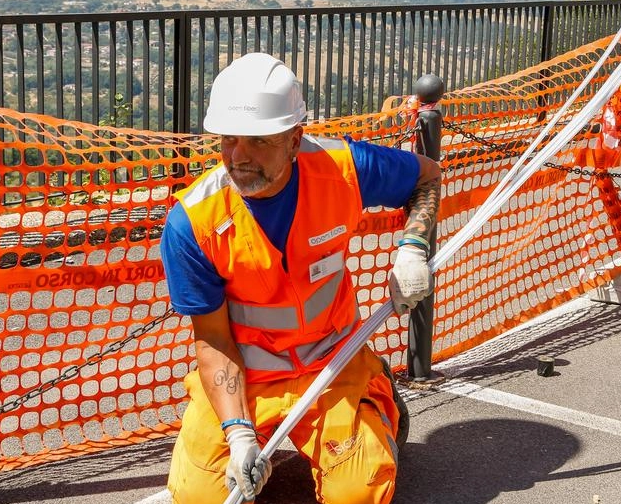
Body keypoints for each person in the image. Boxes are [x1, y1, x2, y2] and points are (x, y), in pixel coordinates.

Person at [159, 52, 441, 502]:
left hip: (332, 361)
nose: (240, 157)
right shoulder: (193, 223)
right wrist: (238, 434)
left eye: (259, 141)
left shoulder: (343, 167)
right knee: (200, 497)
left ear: (295, 138)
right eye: (228, 140)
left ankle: (375, 395)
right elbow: (212, 341)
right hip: (247, 376)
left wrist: (413, 248)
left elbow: (426, 178)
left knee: (358, 492)